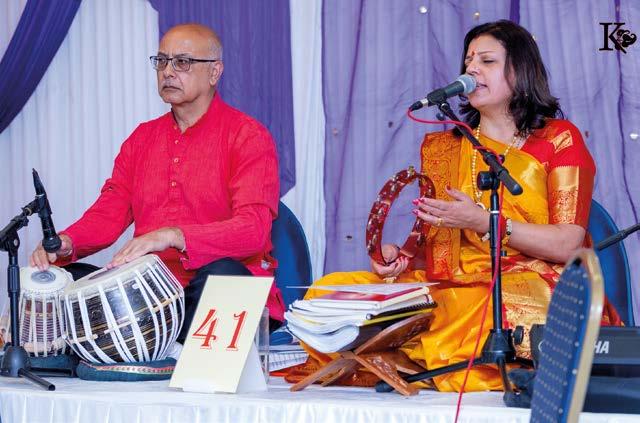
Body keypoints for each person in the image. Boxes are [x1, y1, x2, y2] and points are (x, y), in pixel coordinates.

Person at [301, 20, 621, 392]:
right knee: (328, 292)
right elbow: (442, 254)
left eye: (487, 61)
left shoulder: (559, 139)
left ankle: (407, 358)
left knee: (467, 309)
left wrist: (486, 223)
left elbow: (568, 244)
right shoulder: (446, 149)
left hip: (527, 282)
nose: (471, 69)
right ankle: (406, 359)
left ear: (520, 71)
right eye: (468, 61)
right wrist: (403, 259)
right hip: (450, 286)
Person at [30, 23, 284, 341]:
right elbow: (108, 213)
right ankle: (158, 343)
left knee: (225, 276)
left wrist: (173, 236)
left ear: (215, 72)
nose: (168, 72)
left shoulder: (247, 136)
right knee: (64, 281)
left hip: (216, 292)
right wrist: (68, 242)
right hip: (151, 295)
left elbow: (253, 231)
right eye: (162, 61)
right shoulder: (142, 139)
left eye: (182, 62)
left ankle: (162, 346)